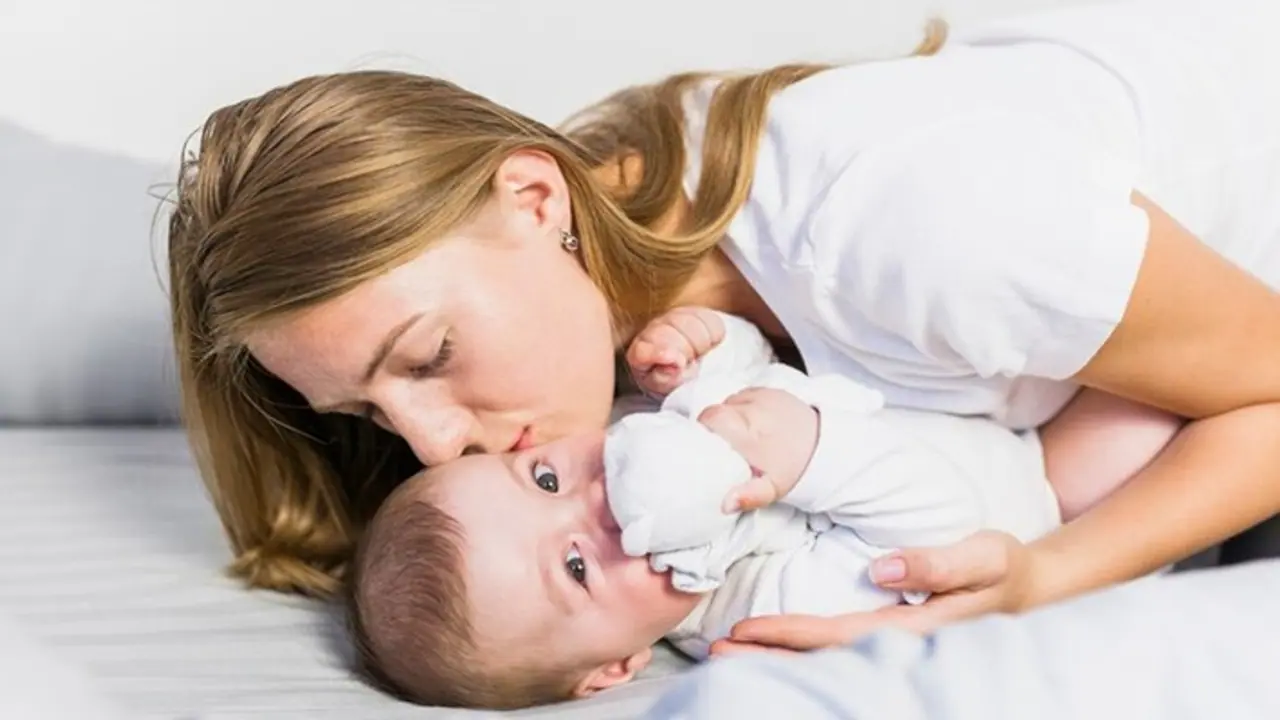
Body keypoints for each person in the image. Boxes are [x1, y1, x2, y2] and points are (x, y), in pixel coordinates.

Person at [166, 0, 1280, 653]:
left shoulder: (917, 226)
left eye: (427, 359)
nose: (430, 445)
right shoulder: (619, 284)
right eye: (365, 409)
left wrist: (1042, 579)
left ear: (536, 199)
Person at [347, 309, 1089, 709]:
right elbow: (941, 541)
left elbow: (760, 377)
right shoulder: (758, 616)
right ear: (616, 668)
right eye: (575, 567)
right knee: (1146, 425)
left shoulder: (631, 433)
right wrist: (805, 456)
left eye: (543, 480)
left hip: (982, 404)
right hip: (1050, 493)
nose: (596, 502)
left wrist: (702, 349)